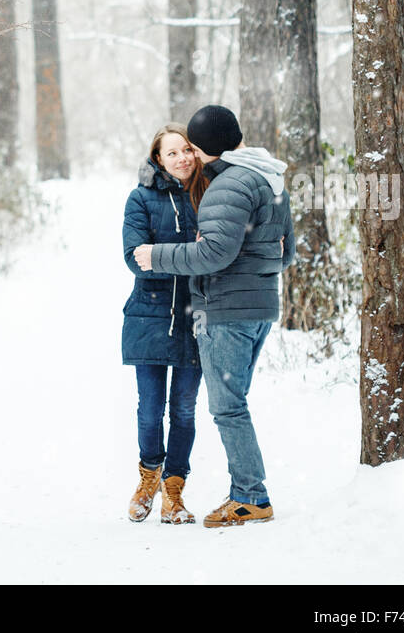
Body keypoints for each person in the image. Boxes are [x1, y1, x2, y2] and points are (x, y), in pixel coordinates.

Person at [134, 104, 295, 528]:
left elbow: (212, 253)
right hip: (260, 306)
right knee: (233, 404)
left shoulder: (227, 185)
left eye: (194, 146)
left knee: (227, 407)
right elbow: (286, 253)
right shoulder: (270, 177)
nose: (192, 156)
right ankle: (249, 492)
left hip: (227, 309)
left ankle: (250, 497)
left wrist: (156, 255)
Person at [122, 124, 206, 524]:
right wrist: (190, 256)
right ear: (158, 159)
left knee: (185, 410)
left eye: (187, 150)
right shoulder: (140, 199)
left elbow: (219, 254)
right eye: (172, 153)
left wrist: (163, 255)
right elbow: (134, 256)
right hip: (150, 316)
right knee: (150, 410)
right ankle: (147, 479)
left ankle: (174, 491)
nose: (182, 158)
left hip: (198, 316)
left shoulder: (208, 194)